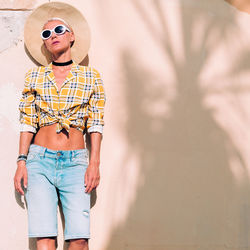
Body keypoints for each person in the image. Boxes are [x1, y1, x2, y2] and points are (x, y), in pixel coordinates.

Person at [13, 2, 106, 250]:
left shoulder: (91, 77)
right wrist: (21, 160)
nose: (52, 35)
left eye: (59, 30)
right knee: (44, 238)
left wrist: (94, 162)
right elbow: (27, 120)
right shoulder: (35, 76)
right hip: (39, 160)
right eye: (46, 33)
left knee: (79, 240)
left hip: (75, 162)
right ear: (44, 43)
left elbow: (95, 122)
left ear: (72, 36)